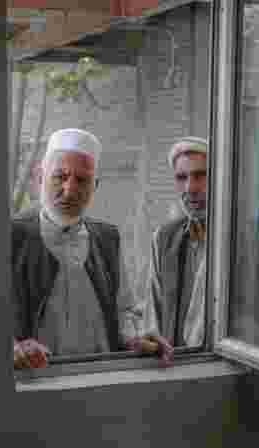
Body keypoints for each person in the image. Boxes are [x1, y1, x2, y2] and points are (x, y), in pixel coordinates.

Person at [11, 128, 172, 369]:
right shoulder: (12, 237)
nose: (70, 189)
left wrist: (136, 337)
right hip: (36, 379)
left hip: (98, 376)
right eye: (60, 176)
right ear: (39, 177)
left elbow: (123, 311)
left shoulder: (108, 239)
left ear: (95, 186)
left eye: (81, 180)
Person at [144, 136, 209, 352]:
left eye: (201, 175)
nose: (191, 187)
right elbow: (153, 312)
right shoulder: (163, 238)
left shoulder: (235, 239)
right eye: (182, 177)